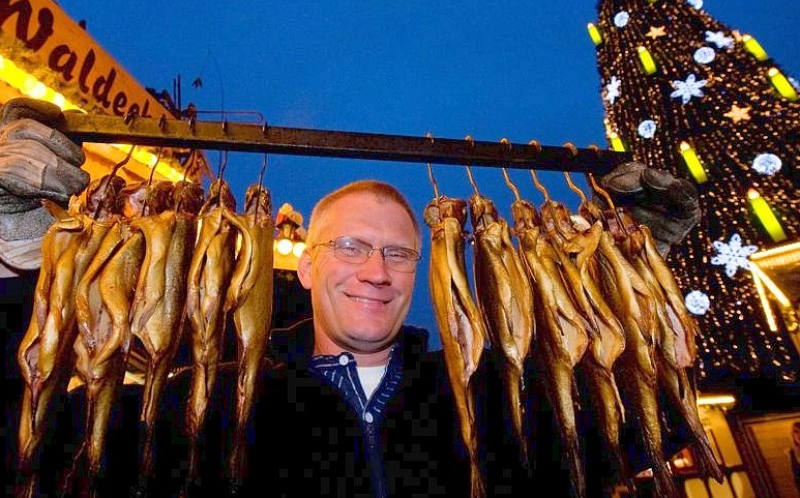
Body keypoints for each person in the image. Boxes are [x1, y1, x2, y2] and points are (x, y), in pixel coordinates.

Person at [0, 97, 701, 497]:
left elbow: (656, 420)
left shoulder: (498, 399)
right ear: (304, 266)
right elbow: (21, 434)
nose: (376, 269)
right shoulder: (198, 406)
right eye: (350, 247)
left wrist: (635, 289)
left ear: (422, 271)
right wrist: (7, 270)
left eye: (399, 251)